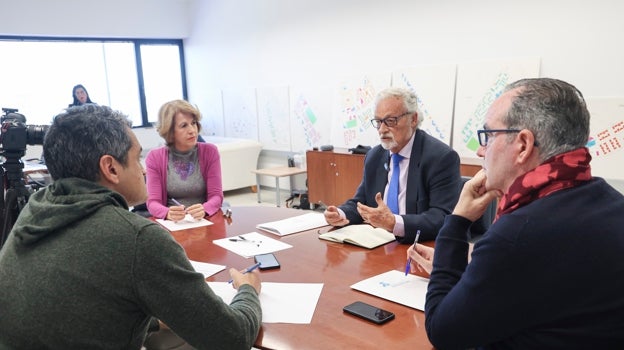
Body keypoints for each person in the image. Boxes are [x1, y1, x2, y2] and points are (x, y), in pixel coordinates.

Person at [0, 104, 262, 349]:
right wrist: (248, 289)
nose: (144, 170)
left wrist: (155, 316)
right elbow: (233, 338)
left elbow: (82, 302)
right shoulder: (139, 238)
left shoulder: (33, 211)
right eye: (137, 159)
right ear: (111, 168)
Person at [409, 78, 624, 348]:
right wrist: (465, 261)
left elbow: (443, 332)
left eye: (488, 136)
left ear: (523, 145)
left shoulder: (519, 234)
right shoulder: (610, 202)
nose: (480, 150)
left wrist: (457, 222)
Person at [323, 87, 462, 243]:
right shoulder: (374, 156)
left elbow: (442, 217)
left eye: (390, 121)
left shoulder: (440, 158)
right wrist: (340, 214)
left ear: (413, 119)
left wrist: (394, 223)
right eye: (378, 121)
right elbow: (361, 202)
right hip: (378, 243)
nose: (382, 130)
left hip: (419, 245)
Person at [146, 100, 223, 221]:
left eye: (193, 123)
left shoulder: (210, 151)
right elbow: (153, 203)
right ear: (170, 131)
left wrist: (205, 209)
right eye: (184, 125)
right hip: (173, 223)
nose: (192, 130)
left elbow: (216, 196)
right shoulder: (154, 157)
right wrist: (167, 213)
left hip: (204, 219)